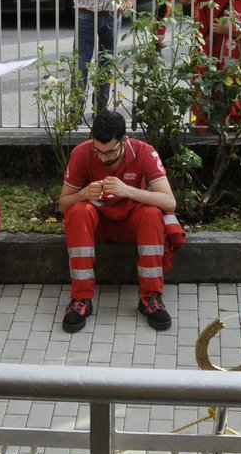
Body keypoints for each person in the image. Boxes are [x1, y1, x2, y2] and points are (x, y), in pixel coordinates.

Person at [59, 110, 180, 333]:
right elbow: (63, 204)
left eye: (110, 152)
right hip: (98, 225)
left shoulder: (145, 152)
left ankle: (150, 297)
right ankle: (81, 299)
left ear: (125, 141)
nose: (104, 158)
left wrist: (128, 190)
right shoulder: (81, 153)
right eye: (99, 152)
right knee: (77, 211)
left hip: (131, 223)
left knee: (152, 213)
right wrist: (84, 193)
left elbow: (169, 202)